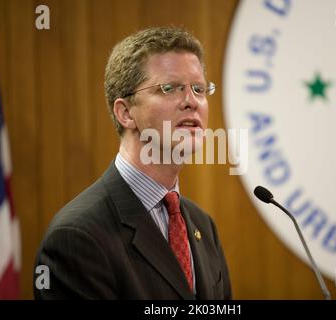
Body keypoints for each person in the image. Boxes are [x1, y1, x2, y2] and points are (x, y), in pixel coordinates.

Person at [33, 26, 232, 300]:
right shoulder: (76, 237)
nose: (192, 102)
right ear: (126, 113)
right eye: (169, 88)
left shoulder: (203, 226)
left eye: (199, 89)